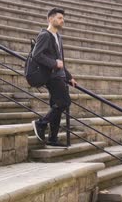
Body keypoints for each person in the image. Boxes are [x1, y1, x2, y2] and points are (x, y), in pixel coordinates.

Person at [31, 8, 77, 147]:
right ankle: (41, 123)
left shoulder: (59, 37)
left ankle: (53, 138)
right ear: (50, 19)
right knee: (64, 103)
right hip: (52, 76)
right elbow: (36, 55)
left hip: (60, 76)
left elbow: (60, 60)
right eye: (59, 18)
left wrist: (69, 77)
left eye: (63, 18)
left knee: (56, 105)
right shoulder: (45, 35)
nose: (62, 21)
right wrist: (54, 64)